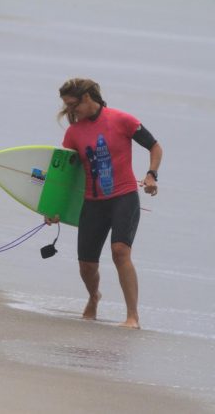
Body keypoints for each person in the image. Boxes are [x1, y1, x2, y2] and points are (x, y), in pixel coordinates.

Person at [45, 78, 163, 329]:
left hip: (124, 196)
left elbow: (154, 146)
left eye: (72, 105)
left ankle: (133, 316)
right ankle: (93, 297)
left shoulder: (123, 120)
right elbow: (67, 175)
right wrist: (53, 208)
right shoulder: (74, 134)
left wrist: (152, 174)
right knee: (87, 265)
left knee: (120, 252)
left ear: (87, 97)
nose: (69, 111)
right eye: (66, 106)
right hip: (93, 202)